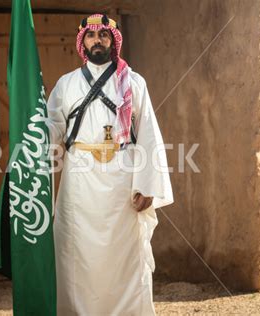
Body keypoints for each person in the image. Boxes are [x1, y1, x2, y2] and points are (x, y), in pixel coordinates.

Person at [46, 13, 174, 315]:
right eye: (90, 36)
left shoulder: (133, 82)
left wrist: (148, 185)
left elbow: (148, 135)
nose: (97, 41)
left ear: (113, 40)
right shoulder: (66, 85)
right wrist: (33, 128)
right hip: (79, 183)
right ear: (82, 42)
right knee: (75, 252)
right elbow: (53, 128)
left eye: (103, 35)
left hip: (122, 182)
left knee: (125, 256)